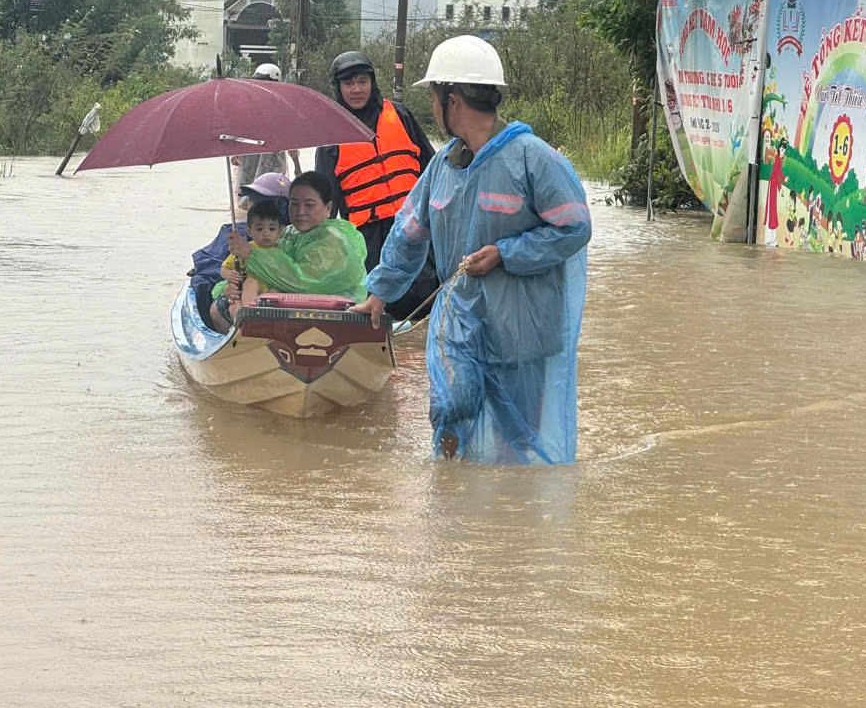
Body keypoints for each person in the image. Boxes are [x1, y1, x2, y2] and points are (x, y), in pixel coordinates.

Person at [349, 36, 592, 466]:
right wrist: (380, 293)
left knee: (521, 439)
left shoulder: (534, 160)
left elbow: (574, 228)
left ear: (452, 98)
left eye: (434, 95)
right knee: (451, 407)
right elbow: (409, 231)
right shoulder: (442, 166)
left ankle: (510, 520)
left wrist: (505, 252)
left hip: (524, 327)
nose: (433, 105)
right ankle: (449, 499)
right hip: (459, 319)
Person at [316, 51, 438, 319]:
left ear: (372, 82)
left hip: (413, 226)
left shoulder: (401, 116)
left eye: (362, 81)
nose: (356, 89)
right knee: (381, 309)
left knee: (427, 297)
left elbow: (435, 170)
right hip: (368, 238)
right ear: (338, 88)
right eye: (348, 83)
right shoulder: (330, 136)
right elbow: (323, 205)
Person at [210, 171, 368, 333]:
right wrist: (231, 287)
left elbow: (302, 280)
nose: (300, 212)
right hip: (290, 304)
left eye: (309, 205)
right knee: (223, 303)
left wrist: (251, 253)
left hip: (334, 314)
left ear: (328, 208)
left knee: (223, 308)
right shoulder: (289, 232)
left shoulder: (336, 241)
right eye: (294, 203)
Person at [188, 171, 290, 324]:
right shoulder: (235, 236)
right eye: (254, 202)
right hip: (239, 296)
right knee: (218, 307)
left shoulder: (292, 242)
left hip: (277, 301)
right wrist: (229, 286)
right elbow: (218, 269)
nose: (265, 232)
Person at [211, 198, 286, 324]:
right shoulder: (244, 248)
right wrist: (230, 275)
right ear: (249, 231)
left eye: (272, 229)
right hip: (245, 290)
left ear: (280, 231)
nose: (266, 233)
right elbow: (224, 267)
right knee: (244, 292)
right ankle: (245, 319)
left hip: (271, 289)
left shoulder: (282, 251)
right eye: (259, 229)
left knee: (276, 293)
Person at [234, 63, 300, 196]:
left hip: (272, 164)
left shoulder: (281, 111)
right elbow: (238, 133)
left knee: (269, 198)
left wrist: (297, 167)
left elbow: (291, 141)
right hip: (249, 164)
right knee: (248, 199)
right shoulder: (248, 109)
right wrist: (235, 154)